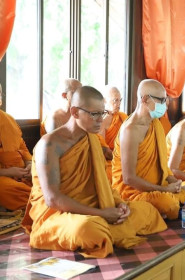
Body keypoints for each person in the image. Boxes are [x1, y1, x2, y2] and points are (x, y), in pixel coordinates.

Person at [22, 86, 167, 258]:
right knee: (88, 229)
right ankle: (105, 226)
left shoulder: (91, 139)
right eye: (94, 114)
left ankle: (107, 224)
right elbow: (53, 199)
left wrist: (119, 204)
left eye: (102, 113)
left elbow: (103, 183)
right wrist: (102, 214)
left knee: (148, 211)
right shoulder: (50, 145)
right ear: (75, 112)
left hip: (94, 207)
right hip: (58, 215)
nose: (101, 120)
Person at [112, 79, 185, 220]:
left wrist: (173, 182)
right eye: (161, 100)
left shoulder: (155, 124)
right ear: (145, 99)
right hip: (133, 192)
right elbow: (129, 179)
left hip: (158, 187)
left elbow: (162, 167)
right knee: (168, 202)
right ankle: (171, 201)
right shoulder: (130, 130)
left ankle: (175, 196)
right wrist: (165, 190)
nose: (165, 105)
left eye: (166, 100)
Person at [0, 83, 32, 210]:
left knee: (47, 177)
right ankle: (41, 202)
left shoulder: (9, 119)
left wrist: (29, 164)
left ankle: (41, 200)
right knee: (3, 188)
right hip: (3, 178)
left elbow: (22, 148)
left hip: (23, 173)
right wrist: (8, 172)